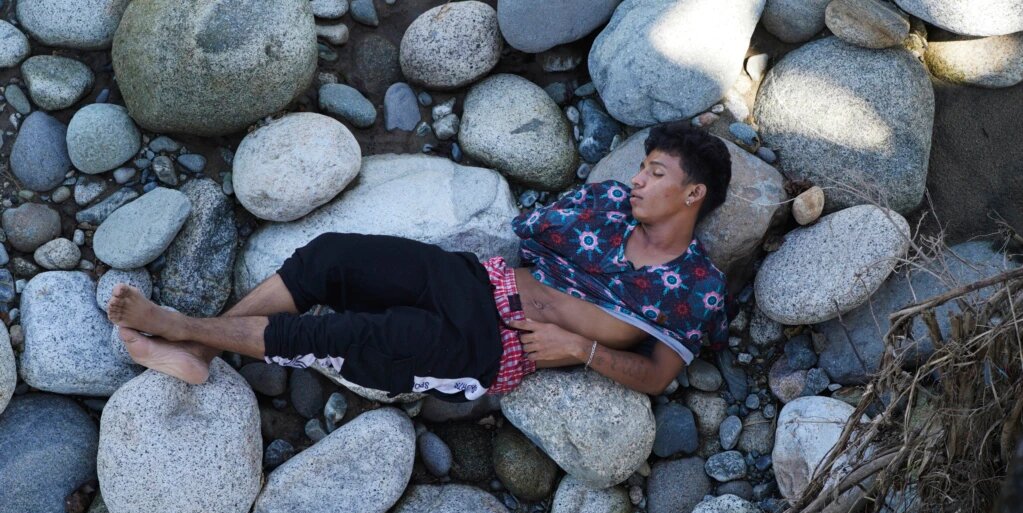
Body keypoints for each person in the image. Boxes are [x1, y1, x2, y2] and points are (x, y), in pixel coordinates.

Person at [107, 121, 732, 402]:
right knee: (332, 257)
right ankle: (201, 355)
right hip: (471, 279)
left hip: (491, 345)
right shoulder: (605, 205)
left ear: (693, 194)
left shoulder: (695, 287)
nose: (637, 182)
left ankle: (182, 329)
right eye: (641, 168)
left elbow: (656, 376)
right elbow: (524, 234)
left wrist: (583, 351)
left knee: (341, 336)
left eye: (654, 174)